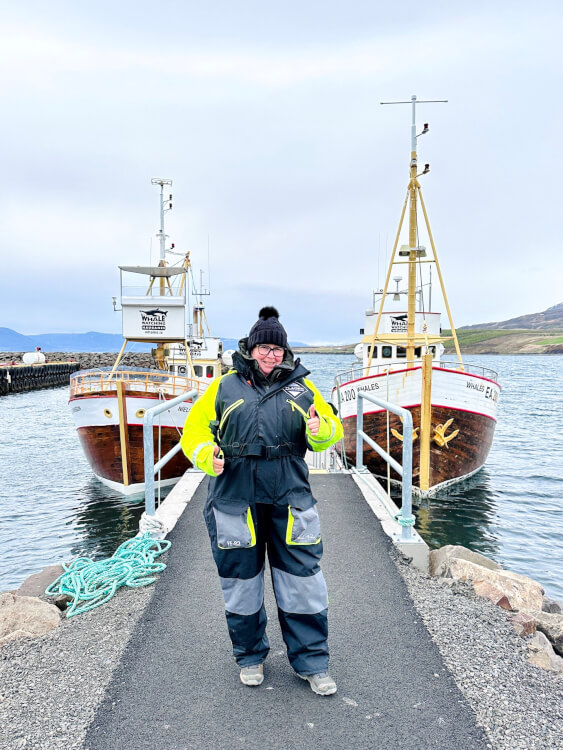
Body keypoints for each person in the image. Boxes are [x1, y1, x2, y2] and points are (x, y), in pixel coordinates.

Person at [180, 306, 343, 696]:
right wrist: (206, 455)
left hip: (289, 493)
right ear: (251, 349)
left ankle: (312, 662)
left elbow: (330, 431)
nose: (272, 355)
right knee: (241, 581)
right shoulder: (224, 387)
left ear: (285, 353)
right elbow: (193, 431)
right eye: (265, 348)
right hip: (234, 494)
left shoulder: (304, 388)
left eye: (277, 349)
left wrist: (321, 430)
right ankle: (250, 656)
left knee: (302, 581)